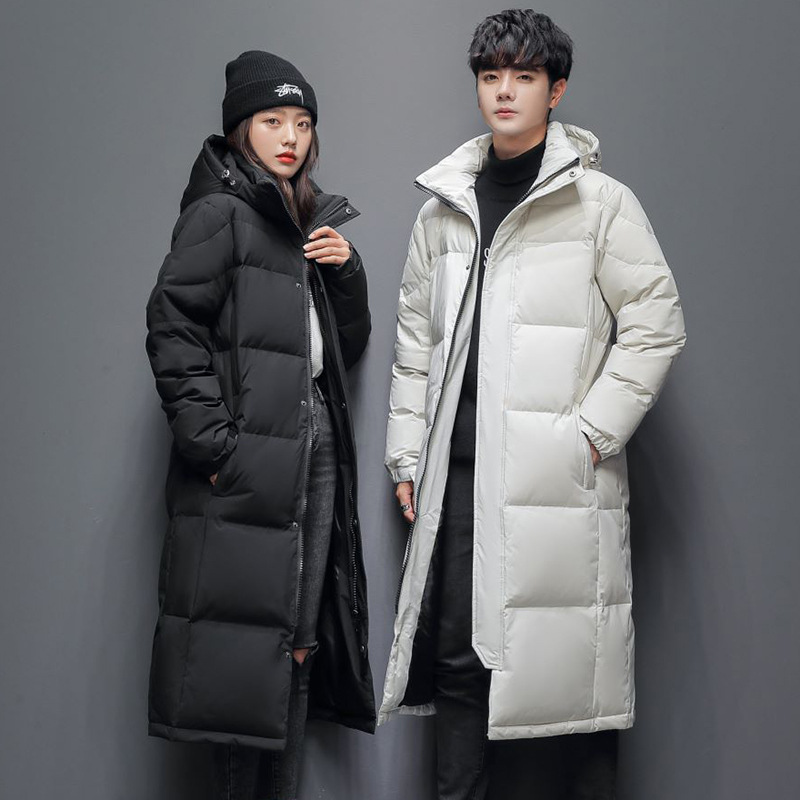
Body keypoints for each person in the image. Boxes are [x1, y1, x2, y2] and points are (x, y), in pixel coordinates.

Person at [381, 9, 686, 799]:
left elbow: (655, 323)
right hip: (459, 484)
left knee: (565, 683)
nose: (505, 91)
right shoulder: (441, 211)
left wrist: (590, 434)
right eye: (491, 76)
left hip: (558, 487)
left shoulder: (601, 204)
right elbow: (416, 344)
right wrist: (408, 455)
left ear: (557, 90)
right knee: (458, 666)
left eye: (523, 76)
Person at [144, 50, 375, 800]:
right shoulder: (220, 214)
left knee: (296, 648)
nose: (290, 137)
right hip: (250, 464)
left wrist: (345, 273)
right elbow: (172, 325)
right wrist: (215, 447)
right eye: (273, 121)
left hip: (315, 450)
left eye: (302, 123)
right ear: (241, 128)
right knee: (242, 668)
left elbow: (340, 349)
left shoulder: (302, 220)